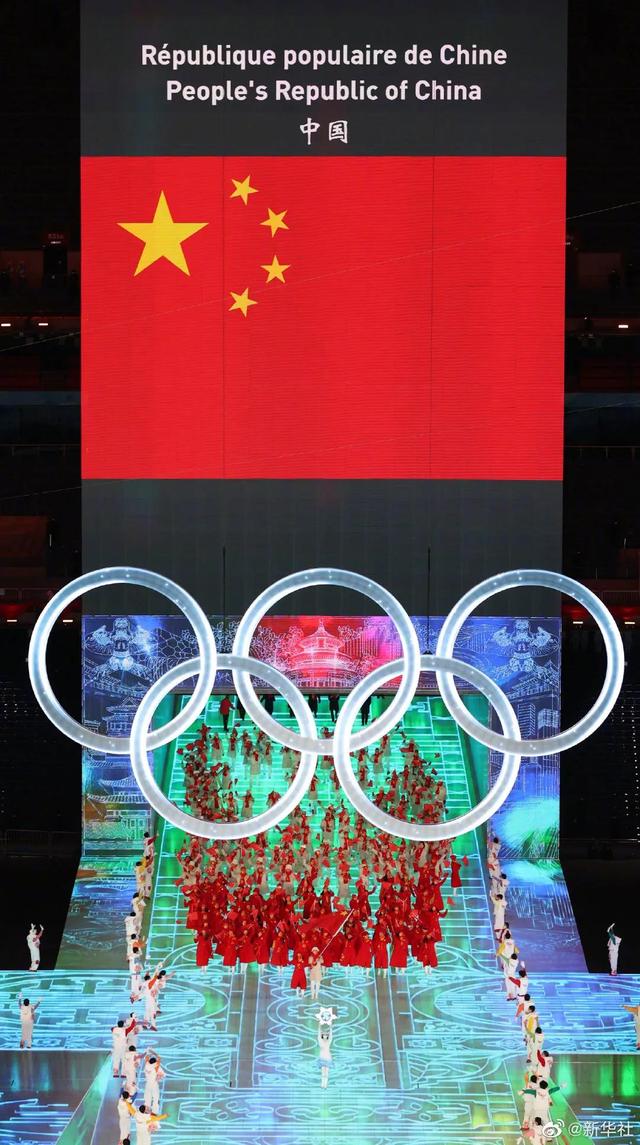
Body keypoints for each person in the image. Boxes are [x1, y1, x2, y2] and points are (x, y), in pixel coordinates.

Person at [318, 1023, 333, 1089]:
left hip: (328, 1057)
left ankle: (325, 1085)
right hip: (322, 1057)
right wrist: (319, 1026)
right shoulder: (320, 1041)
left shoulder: (328, 1041)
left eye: (326, 1035)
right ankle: (322, 1084)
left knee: (326, 1072)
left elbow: (331, 1036)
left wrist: (330, 1027)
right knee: (323, 1073)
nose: (325, 1036)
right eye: (324, 1034)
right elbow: (318, 1034)